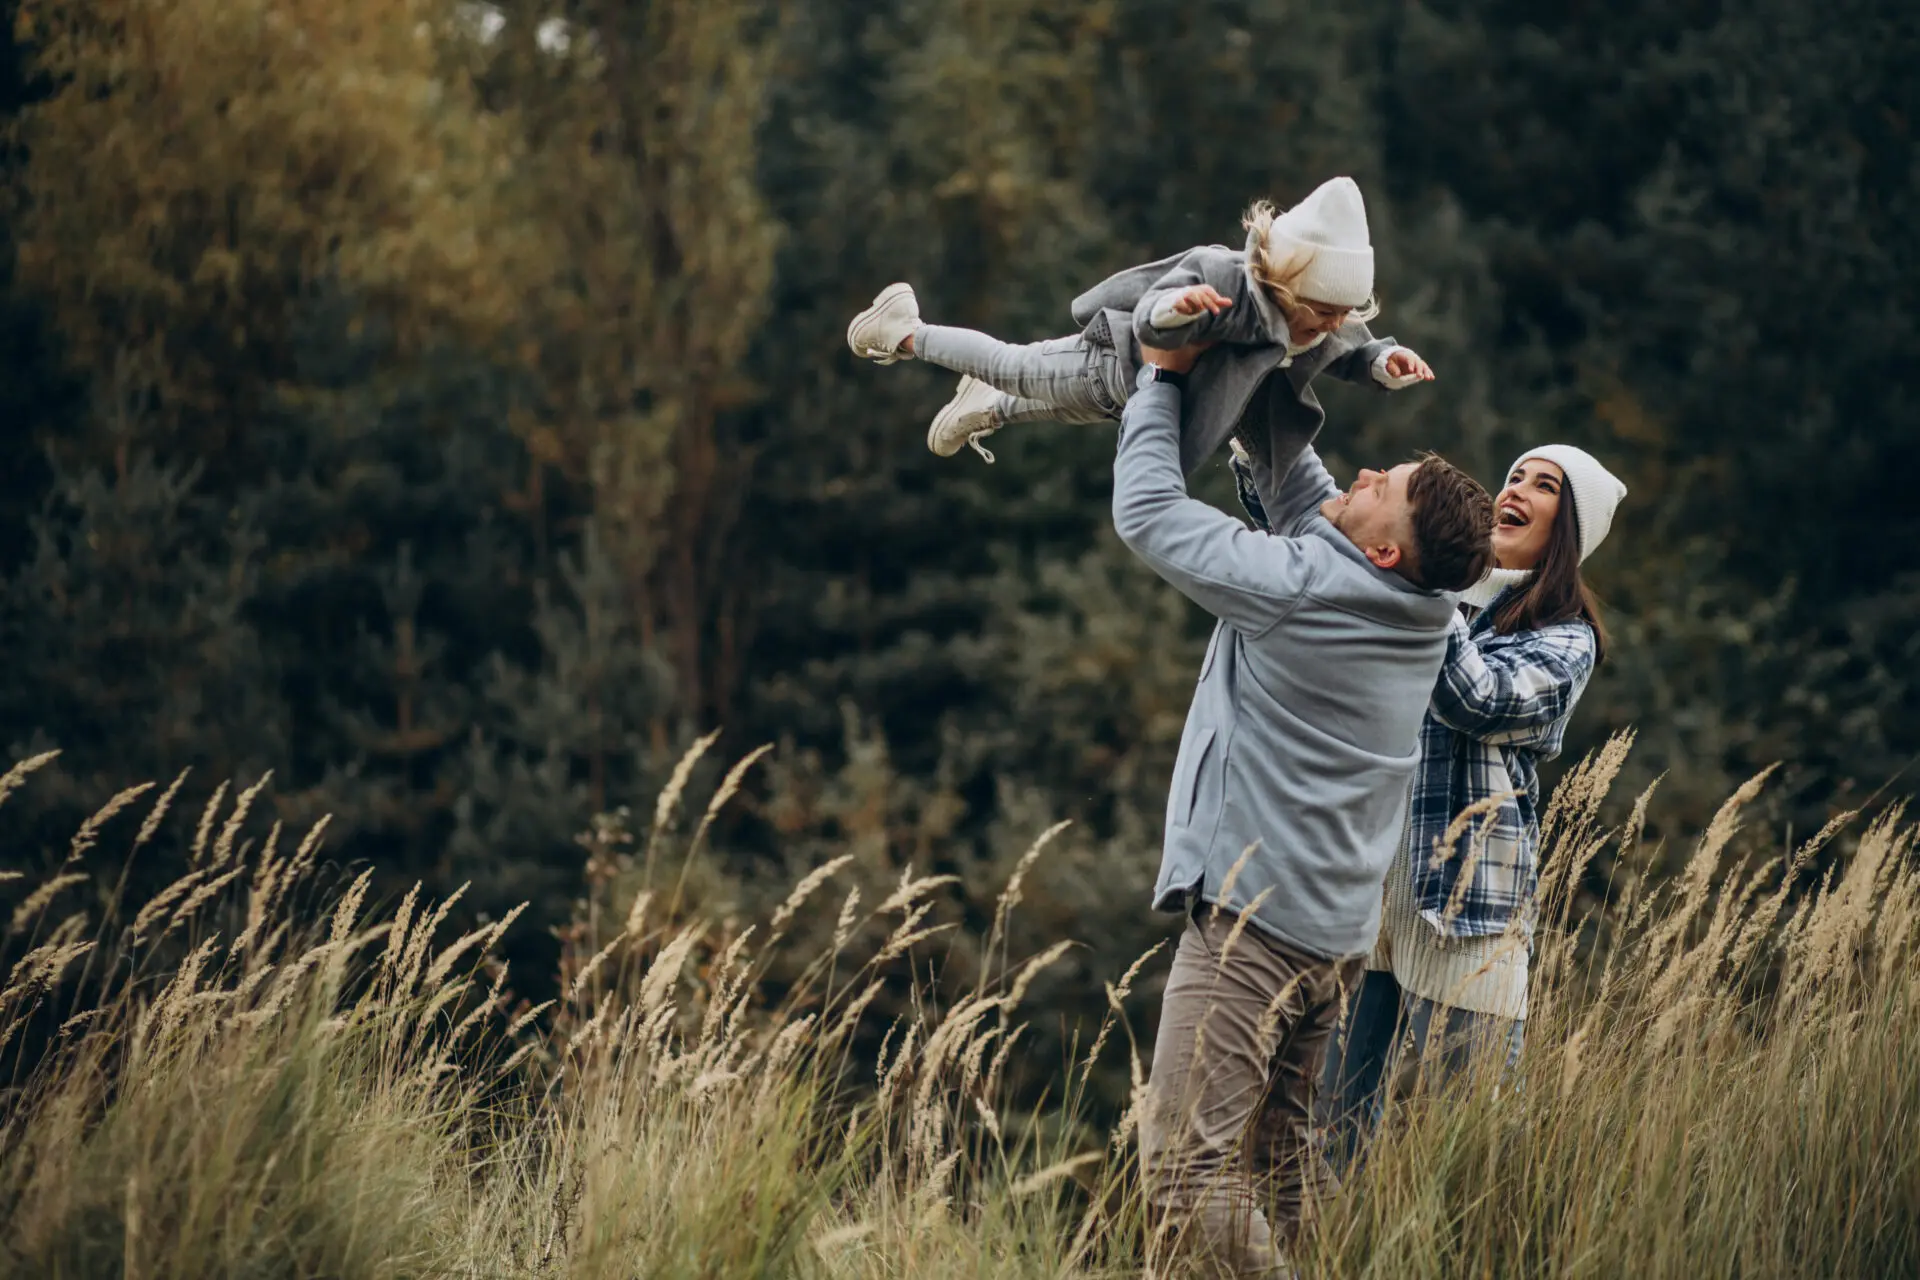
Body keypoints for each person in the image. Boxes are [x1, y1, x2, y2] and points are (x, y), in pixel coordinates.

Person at [1112, 339, 1494, 1277]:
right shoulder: (1421, 613)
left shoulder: (1305, 591)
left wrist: (1163, 376)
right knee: (1283, 1168)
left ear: (1385, 548)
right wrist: (1275, 350)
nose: (1363, 470)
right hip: (1329, 940)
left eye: (1383, 483)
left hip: (1251, 929)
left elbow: (1149, 513)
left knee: (1185, 1178)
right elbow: (1299, 482)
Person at [1234, 440, 1625, 1165]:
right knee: (1327, 1136)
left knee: (1468, 1144)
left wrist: (1434, 582)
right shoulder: (1424, 590)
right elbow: (1324, 540)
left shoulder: (1561, 637)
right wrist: (1261, 434)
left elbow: (1475, 699)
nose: (1520, 489)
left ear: (1568, 530)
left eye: (1546, 487)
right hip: (1366, 906)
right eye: (1516, 475)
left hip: (1466, 918)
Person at [843, 176, 1434, 475]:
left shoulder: (1321, 325)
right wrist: (1174, 312)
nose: (1333, 326)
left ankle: (986, 406)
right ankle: (905, 330)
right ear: (1287, 285)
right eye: (1325, 311)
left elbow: (1349, 344)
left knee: (1057, 408)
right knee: (1011, 365)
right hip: (1113, 363)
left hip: (1142, 402)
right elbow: (1155, 309)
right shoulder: (1226, 278)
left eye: (1344, 315)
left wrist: (1382, 361)